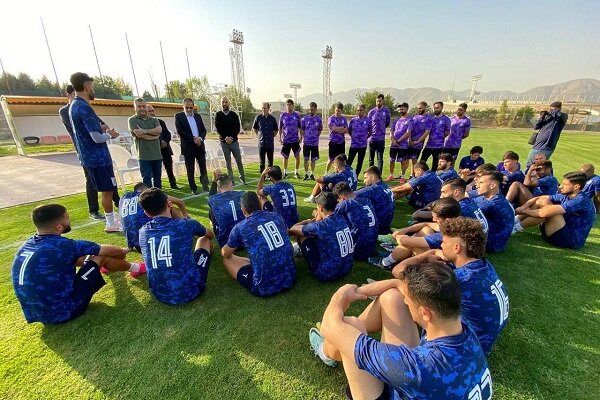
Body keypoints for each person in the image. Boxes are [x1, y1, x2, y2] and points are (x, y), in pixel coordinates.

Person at [308, 263, 491, 399]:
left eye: (409, 302)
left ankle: (325, 352)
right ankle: (327, 351)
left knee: (349, 326)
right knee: (392, 299)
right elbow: (399, 287)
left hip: (419, 378)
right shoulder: (463, 326)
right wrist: (361, 290)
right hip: (426, 384)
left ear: (425, 313)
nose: (406, 302)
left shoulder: (416, 366)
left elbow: (331, 326)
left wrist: (339, 296)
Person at [392, 217, 509, 355]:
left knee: (398, 295)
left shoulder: (459, 278)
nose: (441, 245)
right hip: (482, 340)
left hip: (462, 350)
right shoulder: (484, 266)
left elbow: (398, 271)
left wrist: (424, 256)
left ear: (457, 247)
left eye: (444, 242)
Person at [12, 204, 145, 324]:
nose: (69, 220)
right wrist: (123, 250)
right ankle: (136, 268)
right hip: (64, 311)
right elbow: (107, 251)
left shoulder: (27, 245)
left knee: (82, 259)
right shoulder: (63, 246)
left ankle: (102, 267)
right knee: (100, 257)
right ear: (58, 226)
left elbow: (71, 259)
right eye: (67, 217)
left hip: (35, 313)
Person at [139, 188, 213, 305]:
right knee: (204, 240)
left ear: (147, 213)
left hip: (159, 293)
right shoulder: (186, 224)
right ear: (169, 204)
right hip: (192, 290)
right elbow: (209, 234)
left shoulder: (142, 232)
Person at [68, 72, 122, 233]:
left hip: (90, 157)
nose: (93, 90)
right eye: (92, 86)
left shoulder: (74, 106)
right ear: (87, 86)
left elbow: (90, 130)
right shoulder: (83, 107)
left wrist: (101, 128)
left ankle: (111, 218)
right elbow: (96, 138)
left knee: (107, 189)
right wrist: (110, 135)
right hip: (97, 158)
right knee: (107, 190)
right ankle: (111, 223)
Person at [59, 84, 119, 220]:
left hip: (97, 154)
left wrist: (100, 128)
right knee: (97, 184)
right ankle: (97, 212)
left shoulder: (83, 108)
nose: (92, 90)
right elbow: (97, 134)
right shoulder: (74, 109)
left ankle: (115, 207)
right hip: (91, 155)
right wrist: (107, 134)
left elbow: (104, 126)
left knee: (109, 185)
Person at [221, 191, 296, 297]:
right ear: (260, 205)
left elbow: (225, 253)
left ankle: (257, 267)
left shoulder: (240, 227)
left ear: (243, 211)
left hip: (264, 287)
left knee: (227, 259)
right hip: (290, 277)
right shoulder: (276, 216)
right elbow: (286, 233)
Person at [369, 198, 461, 269]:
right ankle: (395, 257)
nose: (433, 220)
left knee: (411, 244)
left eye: (436, 218)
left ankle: (386, 263)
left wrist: (398, 235)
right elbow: (426, 223)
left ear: (447, 220)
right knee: (425, 229)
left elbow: (406, 241)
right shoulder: (456, 225)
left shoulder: (446, 235)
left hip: (445, 270)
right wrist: (405, 230)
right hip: (447, 261)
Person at [514, 172, 596, 249]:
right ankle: (514, 221)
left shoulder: (580, 200)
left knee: (550, 212)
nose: (560, 186)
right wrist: (523, 207)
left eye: (565, 184)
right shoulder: (566, 195)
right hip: (557, 231)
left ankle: (514, 229)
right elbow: (539, 198)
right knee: (543, 201)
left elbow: (543, 213)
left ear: (576, 187)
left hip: (569, 240)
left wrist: (522, 211)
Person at [290, 192, 354, 282]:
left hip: (327, 273)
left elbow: (292, 230)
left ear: (320, 207)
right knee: (318, 236)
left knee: (302, 236)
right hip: (347, 267)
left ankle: (300, 251)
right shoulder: (342, 218)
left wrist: (307, 221)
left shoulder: (321, 226)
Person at [120, 182, 189, 251]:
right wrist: (185, 214)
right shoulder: (147, 196)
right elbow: (179, 201)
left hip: (136, 243)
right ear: (147, 190)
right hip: (152, 240)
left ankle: (130, 246)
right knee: (169, 206)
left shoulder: (124, 197)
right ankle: (185, 227)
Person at [410, 178, 488, 230]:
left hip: (470, 247)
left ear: (456, 192)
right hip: (477, 242)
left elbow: (416, 215)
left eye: (444, 192)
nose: (441, 196)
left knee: (425, 229)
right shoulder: (469, 202)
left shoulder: (457, 208)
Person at [332, 182, 378, 261]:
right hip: (372, 245)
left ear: (341, 197)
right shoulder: (366, 200)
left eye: (338, 201)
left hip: (358, 249)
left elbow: (328, 218)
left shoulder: (345, 204)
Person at [174, 98, 209, 194]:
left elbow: (203, 130)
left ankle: (205, 185)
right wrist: (193, 139)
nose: (189, 109)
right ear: (183, 106)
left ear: (193, 107)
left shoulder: (197, 116)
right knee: (190, 168)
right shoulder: (178, 116)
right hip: (188, 147)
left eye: (191, 107)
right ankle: (193, 188)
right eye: (187, 107)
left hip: (200, 145)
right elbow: (180, 131)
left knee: (203, 167)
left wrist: (200, 139)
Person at [474, 171, 515, 252]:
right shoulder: (490, 197)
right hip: (490, 238)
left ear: (492, 185)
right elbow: (470, 201)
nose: (477, 186)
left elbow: (465, 208)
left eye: (481, 183)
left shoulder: (494, 202)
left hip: (492, 244)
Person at [128, 98, 163, 188]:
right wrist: (154, 136)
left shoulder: (154, 120)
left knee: (157, 178)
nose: (142, 108)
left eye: (143, 106)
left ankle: (159, 198)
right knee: (146, 178)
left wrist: (144, 130)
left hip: (157, 155)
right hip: (144, 156)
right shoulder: (132, 120)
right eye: (139, 106)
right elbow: (139, 134)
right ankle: (149, 199)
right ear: (135, 108)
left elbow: (159, 130)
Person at [207, 171, 245, 248]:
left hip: (226, 244)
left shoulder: (212, 199)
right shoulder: (242, 194)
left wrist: (214, 182)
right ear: (231, 183)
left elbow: (210, 197)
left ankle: (216, 227)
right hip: (244, 241)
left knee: (212, 210)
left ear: (218, 188)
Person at [215, 96, 246, 185]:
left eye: (226, 102)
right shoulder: (218, 115)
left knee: (238, 160)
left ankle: (242, 178)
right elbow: (218, 128)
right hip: (224, 143)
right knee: (228, 162)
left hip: (234, 142)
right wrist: (225, 138)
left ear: (229, 103)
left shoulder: (234, 114)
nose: (224, 104)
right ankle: (231, 180)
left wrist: (231, 138)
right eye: (223, 102)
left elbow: (237, 127)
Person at [526, 101, 568, 166]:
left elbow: (558, 114)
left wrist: (550, 112)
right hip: (536, 145)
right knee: (529, 165)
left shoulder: (562, 116)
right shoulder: (548, 117)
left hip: (547, 146)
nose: (551, 111)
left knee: (540, 167)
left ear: (559, 109)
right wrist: (543, 116)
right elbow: (536, 126)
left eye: (552, 109)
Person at [147, 104, 179, 189]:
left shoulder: (161, 122)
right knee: (156, 170)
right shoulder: (146, 124)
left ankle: (173, 184)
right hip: (155, 151)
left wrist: (165, 141)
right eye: (149, 111)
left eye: (152, 110)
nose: (152, 112)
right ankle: (158, 187)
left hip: (165, 149)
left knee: (169, 167)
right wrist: (159, 144)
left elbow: (168, 134)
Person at [355, 166, 394, 234]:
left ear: (372, 177)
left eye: (365, 178)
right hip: (386, 226)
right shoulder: (385, 186)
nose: (364, 181)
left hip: (377, 228)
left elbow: (351, 195)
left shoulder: (374, 189)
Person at [421, 101, 451, 171]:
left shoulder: (446, 119)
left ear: (442, 108)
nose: (436, 109)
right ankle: (421, 176)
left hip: (439, 146)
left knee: (435, 164)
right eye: (434, 108)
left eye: (437, 108)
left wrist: (439, 137)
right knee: (422, 162)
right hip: (429, 145)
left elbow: (447, 132)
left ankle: (432, 178)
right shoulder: (431, 119)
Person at [386, 103, 412, 183]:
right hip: (394, 144)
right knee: (391, 160)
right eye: (400, 109)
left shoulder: (410, 120)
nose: (401, 110)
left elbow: (408, 133)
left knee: (403, 161)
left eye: (402, 109)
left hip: (403, 145)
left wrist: (398, 141)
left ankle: (402, 177)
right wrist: (393, 140)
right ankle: (391, 175)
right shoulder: (396, 119)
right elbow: (391, 130)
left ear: (407, 109)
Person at [278, 99, 302, 179]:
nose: (288, 106)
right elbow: (280, 128)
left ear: (293, 105)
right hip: (286, 140)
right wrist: (280, 138)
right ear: (286, 106)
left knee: (297, 157)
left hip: (295, 140)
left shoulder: (297, 115)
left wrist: (301, 137)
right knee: (285, 157)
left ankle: (296, 172)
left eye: (290, 105)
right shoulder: (283, 115)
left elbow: (300, 127)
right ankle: (285, 172)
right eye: (287, 105)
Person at [252, 102, 278, 174]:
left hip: (270, 144)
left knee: (270, 162)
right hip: (261, 144)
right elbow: (255, 128)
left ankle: (270, 176)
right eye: (262, 108)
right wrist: (259, 135)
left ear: (268, 109)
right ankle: (262, 176)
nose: (263, 109)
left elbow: (276, 130)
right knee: (262, 162)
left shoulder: (272, 119)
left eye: (265, 108)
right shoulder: (258, 118)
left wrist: (271, 136)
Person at [367, 94, 390, 173]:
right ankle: (370, 174)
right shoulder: (371, 112)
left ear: (383, 101)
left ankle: (379, 176)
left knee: (380, 159)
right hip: (372, 139)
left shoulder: (386, 111)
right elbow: (368, 124)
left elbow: (387, 123)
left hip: (381, 139)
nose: (378, 103)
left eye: (380, 101)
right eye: (377, 101)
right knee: (371, 159)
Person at [347, 103, 371, 179]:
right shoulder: (353, 120)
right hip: (354, 144)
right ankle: (346, 175)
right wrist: (353, 137)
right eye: (358, 110)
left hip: (362, 145)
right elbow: (349, 130)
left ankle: (356, 175)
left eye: (361, 110)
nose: (359, 112)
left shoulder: (368, 120)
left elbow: (370, 132)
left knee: (360, 162)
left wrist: (364, 138)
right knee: (349, 161)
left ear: (364, 110)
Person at [299, 101, 323, 180]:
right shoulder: (305, 119)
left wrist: (316, 136)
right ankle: (306, 174)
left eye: (312, 110)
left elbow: (320, 129)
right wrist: (303, 137)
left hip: (315, 143)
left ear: (316, 109)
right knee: (306, 159)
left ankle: (312, 174)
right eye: (310, 109)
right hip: (306, 143)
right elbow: (302, 129)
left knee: (313, 160)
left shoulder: (318, 119)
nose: (311, 111)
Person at [407, 101, 433, 172]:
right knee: (406, 159)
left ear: (425, 108)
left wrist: (418, 141)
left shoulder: (429, 119)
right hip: (410, 142)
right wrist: (409, 140)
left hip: (418, 143)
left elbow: (427, 132)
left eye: (420, 108)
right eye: (418, 108)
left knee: (414, 159)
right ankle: (403, 174)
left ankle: (413, 175)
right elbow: (410, 129)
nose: (419, 110)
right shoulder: (415, 117)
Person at [326, 102, 348, 173]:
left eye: (339, 111)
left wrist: (338, 129)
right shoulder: (331, 118)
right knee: (331, 159)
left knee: (341, 160)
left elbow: (346, 130)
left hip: (341, 142)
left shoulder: (343, 119)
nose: (337, 112)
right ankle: (326, 173)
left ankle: (339, 173)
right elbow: (333, 128)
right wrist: (341, 128)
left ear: (341, 111)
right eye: (336, 110)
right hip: (333, 142)